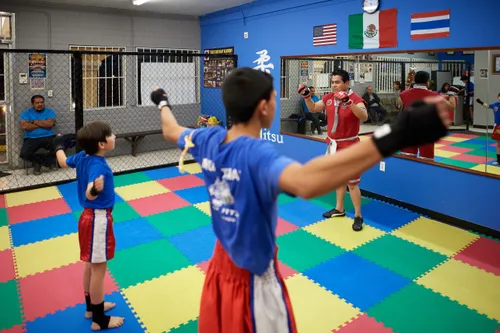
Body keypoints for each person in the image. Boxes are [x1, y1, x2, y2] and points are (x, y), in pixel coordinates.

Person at [149, 67, 450, 333]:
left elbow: (170, 129)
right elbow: (305, 182)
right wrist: (395, 134)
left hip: (218, 271)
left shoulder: (209, 139)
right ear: (264, 107)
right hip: (253, 281)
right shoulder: (255, 154)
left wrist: (162, 101)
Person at [54, 122, 124, 331]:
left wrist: (58, 146)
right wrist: (94, 189)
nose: (114, 135)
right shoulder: (98, 165)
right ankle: (99, 320)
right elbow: (89, 192)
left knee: (90, 265)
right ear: (102, 144)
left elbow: (63, 162)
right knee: (99, 270)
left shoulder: (82, 157)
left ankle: (91, 308)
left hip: (87, 218)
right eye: (111, 134)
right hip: (97, 220)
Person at [298, 68, 368, 231]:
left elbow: (364, 116)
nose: (334, 85)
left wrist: (349, 102)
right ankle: (339, 209)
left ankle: (358, 216)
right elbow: (314, 108)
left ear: (346, 83)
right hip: (333, 144)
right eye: (332, 82)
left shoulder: (355, 98)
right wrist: (307, 96)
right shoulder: (329, 97)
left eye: (337, 82)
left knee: (352, 183)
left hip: (350, 146)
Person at [397, 71, 442, 160]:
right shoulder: (434, 95)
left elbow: (399, 104)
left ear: (414, 80)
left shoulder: (404, 94)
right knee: (426, 158)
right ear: (427, 82)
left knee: (407, 156)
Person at [19, 95, 57, 175]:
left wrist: (34, 122)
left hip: (48, 136)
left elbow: (50, 124)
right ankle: (42, 162)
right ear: (32, 104)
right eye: (37, 103)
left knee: (58, 148)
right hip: (31, 138)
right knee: (24, 154)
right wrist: (44, 123)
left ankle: (38, 163)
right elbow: (24, 126)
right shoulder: (26, 113)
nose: (40, 104)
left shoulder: (49, 111)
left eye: (41, 102)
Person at [476, 94, 500, 165]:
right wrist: (480, 101)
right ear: (498, 97)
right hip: (497, 127)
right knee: (498, 144)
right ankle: (499, 160)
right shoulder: (495, 104)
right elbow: (487, 106)